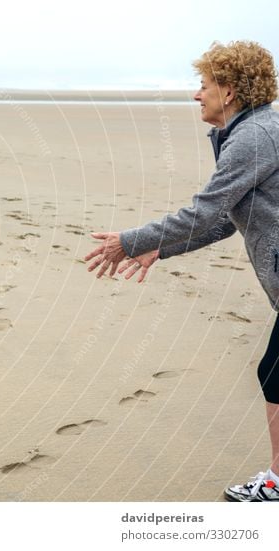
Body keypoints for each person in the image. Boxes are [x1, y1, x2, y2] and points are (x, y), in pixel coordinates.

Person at [85, 41, 279, 502]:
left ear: (229, 90)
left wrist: (130, 241)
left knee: (275, 374)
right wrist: (162, 251)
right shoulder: (252, 132)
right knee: (275, 374)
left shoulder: (254, 137)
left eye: (204, 85)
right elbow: (224, 223)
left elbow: (202, 211)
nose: (197, 94)